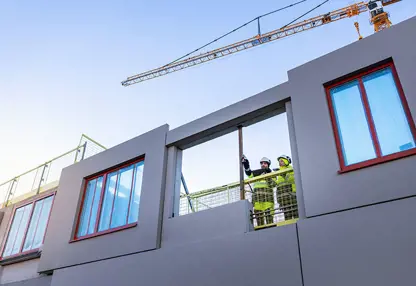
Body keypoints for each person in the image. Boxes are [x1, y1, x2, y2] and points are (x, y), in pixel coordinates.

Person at [241, 155, 275, 226]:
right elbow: (249, 173)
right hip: (257, 200)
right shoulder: (257, 173)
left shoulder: (273, 174)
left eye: (265, 163)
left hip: (268, 200)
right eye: (261, 163)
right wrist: (246, 164)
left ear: (268, 165)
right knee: (259, 222)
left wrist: (267, 176)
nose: (263, 165)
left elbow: (273, 184)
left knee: (269, 221)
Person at [275, 155, 298, 220]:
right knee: (288, 218)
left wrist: (284, 174)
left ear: (286, 161)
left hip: (292, 197)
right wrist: (279, 201)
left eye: (282, 161)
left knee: (297, 216)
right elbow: (278, 187)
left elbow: (292, 179)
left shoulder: (291, 169)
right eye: (279, 161)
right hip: (284, 199)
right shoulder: (278, 172)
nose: (280, 162)